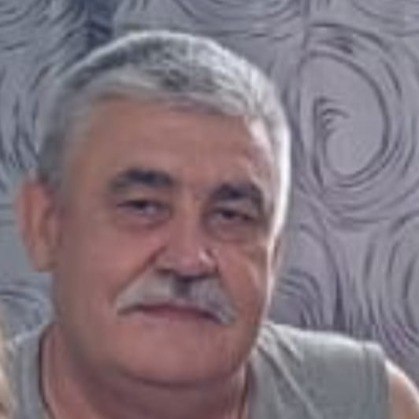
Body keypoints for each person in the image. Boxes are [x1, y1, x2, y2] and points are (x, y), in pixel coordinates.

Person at [10, 30, 419, 419]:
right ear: (45, 226)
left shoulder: (366, 404)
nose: (188, 260)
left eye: (231, 217)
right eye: (143, 207)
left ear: (275, 256)